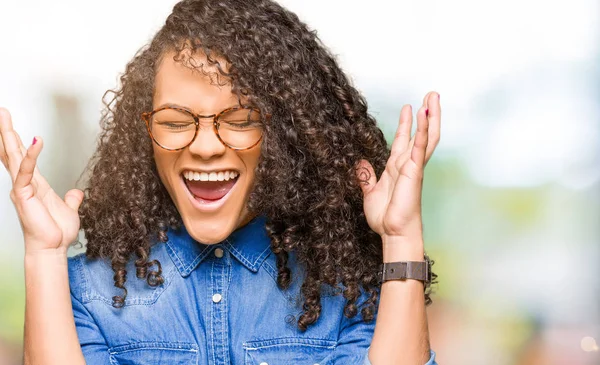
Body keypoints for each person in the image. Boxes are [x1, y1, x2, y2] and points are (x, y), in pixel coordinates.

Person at [0, 0, 441, 364]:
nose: (206, 147)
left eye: (241, 118)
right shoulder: (86, 292)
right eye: (174, 121)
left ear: (285, 133)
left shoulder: (348, 287)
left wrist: (401, 238)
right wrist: (43, 254)